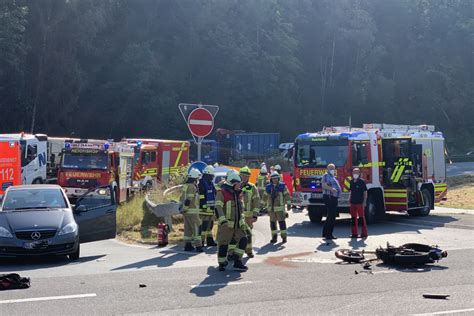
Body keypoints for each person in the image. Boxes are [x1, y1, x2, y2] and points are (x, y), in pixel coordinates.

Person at [215, 171, 249, 272]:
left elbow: (240, 209)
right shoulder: (222, 193)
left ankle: (237, 261)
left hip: (237, 225)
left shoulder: (238, 193)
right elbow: (218, 207)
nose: (240, 186)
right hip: (226, 225)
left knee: (244, 239)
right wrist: (223, 221)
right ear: (233, 183)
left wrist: (242, 220)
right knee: (224, 244)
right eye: (238, 184)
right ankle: (222, 263)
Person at [238, 166, 260, 258]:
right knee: (236, 235)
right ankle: (233, 253)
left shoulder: (252, 187)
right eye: (243, 176)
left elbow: (256, 202)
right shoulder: (235, 186)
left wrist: (255, 216)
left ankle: (249, 251)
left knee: (248, 234)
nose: (245, 178)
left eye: (247, 176)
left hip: (248, 216)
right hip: (237, 215)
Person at [180, 168, 203, 252]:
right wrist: (185, 208)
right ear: (195, 178)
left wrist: (183, 209)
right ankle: (198, 246)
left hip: (186, 212)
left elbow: (182, 198)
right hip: (192, 212)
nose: (198, 180)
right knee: (197, 227)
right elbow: (189, 199)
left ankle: (188, 245)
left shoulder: (186, 186)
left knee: (188, 229)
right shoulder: (192, 186)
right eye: (198, 178)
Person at [264, 171, 291, 243]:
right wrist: (261, 206)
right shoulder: (268, 187)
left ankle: (284, 237)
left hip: (280, 209)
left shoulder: (282, 186)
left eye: (276, 178)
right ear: (271, 179)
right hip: (271, 209)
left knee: (282, 223)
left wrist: (288, 204)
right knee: (272, 224)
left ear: (278, 179)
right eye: (273, 179)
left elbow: (287, 195)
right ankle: (274, 237)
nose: (275, 180)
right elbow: (264, 197)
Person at [321, 163, 342, 240]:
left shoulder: (333, 177)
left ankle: (326, 233)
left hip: (334, 197)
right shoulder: (326, 176)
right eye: (330, 168)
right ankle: (328, 234)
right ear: (327, 169)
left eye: (333, 168)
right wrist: (331, 189)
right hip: (329, 197)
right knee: (331, 215)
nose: (332, 170)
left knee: (331, 216)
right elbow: (323, 185)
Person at [199, 165, 217, 247]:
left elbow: (214, 192)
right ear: (209, 174)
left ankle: (210, 241)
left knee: (210, 225)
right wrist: (203, 205)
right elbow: (201, 195)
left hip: (211, 207)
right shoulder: (202, 182)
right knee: (204, 225)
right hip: (204, 208)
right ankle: (201, 241)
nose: (213, 177)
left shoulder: (210, 182)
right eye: (212, 175)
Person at [349, 168, 368, 238]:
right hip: (352, 203)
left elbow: (365, 192)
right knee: (353, 219)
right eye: (354, 172)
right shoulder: (351, 182)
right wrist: (349, 200)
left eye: (356, 173)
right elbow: (351, 192)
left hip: (360, 203)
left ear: (359, 173)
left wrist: (364, 202)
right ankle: (354, 233)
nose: (355, 174)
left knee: (361, 218)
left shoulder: (362, 182)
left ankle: (364, 233)